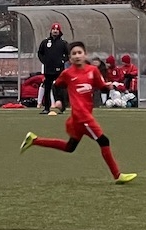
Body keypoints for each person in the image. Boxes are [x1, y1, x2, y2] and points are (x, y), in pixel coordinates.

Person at [20, 40, 137, 184]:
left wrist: (111, 86)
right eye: (73, 54)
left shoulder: (92, 71)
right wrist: (59, 101)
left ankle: (34, 140)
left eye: (79, 53)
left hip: (80, 118)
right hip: (82, 117)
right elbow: (56, 86)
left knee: (70, 147)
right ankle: (117, 175)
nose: (77, 56)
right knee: (104, 141)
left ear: (85, 55)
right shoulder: (67, 73)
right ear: (70, 58)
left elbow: (101, 86)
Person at [36, 22, 70, 115]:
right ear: (51, 31)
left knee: (60, 89)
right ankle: (46, 108)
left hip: (59, 70)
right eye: (53, 29)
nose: (55, 31)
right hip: (48, 69)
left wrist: (62, 61)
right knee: (47, 88)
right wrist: (44, 61)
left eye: (57, 29)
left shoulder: (63, 43)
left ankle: (61, 107)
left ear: (59, 31)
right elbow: (40, 53)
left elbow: (68, 54)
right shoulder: (45, 42)